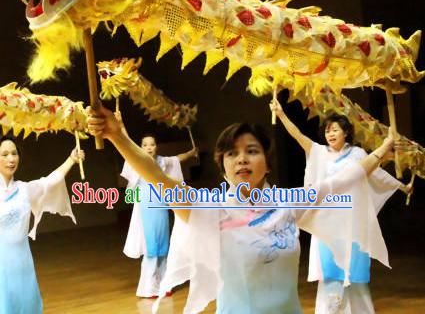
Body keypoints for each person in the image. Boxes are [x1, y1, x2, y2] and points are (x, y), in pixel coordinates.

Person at [87, 105, 398, 314]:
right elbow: (159, 178)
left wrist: (385, 148)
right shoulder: (211, 210)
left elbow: (349, 177)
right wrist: (117, 136)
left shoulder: (289, 205)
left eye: (252, 151)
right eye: (232, 154)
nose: (242, 159)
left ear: (267, 164)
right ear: (223, 167)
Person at [271, 98, 411, 314]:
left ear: (346, 132)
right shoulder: (319, 153)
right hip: (327, 223)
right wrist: (281, 115)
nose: (330, 134)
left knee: (354, 271)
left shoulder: (357, 155)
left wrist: (402, 187)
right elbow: (298, 136)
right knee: (331, 270)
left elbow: (377, 174)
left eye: (335, 129)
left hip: (351, 222)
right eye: (327, 130)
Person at [0, 135, 84, 314]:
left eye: (14, 153)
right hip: (2, 264)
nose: (11, 159)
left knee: (27, 305)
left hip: (23, 262)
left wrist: (71, 159)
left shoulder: (24, 189)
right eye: (5, 154)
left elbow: (49, 182)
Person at [119, 126, 198, 298]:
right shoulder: (137, 161)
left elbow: (178, 159)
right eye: (145, 145)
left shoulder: (162, 162)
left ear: (156, 147)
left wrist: (192, 153)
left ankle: (164, 284)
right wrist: (122, 126)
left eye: (152, 144)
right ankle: (148, 288)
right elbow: (126, 143)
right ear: (140, 147)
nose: (149, 147)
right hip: (146, 208)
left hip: (161, 206)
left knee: (163, 246)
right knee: (152, 247)